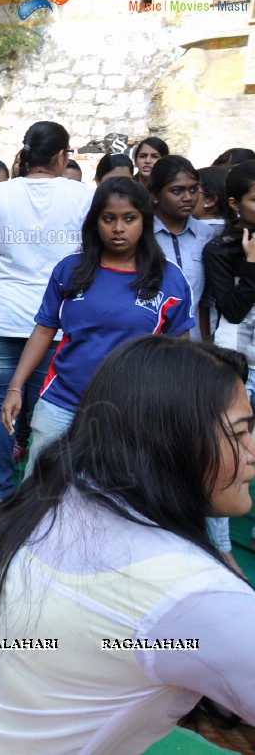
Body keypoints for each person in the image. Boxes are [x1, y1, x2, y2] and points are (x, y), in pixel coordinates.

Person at [0, 335, 255, 754]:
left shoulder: (58, 490)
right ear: (177, 443)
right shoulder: (197, 594)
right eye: (241, 432)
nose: (252, 449)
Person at [4, 176, 194, 480]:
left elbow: (179, 350)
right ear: (96, 222)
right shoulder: (70, 269)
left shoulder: (169, 279)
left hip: (132, 412)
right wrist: (16, 387)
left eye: (129, 218)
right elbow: (43, 329)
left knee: (113, 504)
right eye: (109, 218)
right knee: (39, 494)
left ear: (144, 222)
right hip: (61, 403)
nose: (118, 228)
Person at [0, 121, 93, 507]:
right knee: (47, 406)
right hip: (55, 322)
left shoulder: (0, 195)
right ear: (61, 155)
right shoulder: (81, 196)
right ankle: (40, 496)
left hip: (0, 315)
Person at [203, 160, 255, 565]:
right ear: (236, 203)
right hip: (240, 366)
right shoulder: (221, 249)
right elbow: (233, 310)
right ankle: (221, 551)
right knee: (225, 456)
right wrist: (252, 265)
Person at [149, 155, 211, 339]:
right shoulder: (140, 235)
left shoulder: (208, 236)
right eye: (177, 191)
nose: (188, 198)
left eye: (193, 190)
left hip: (196, 346)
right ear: (155, 195)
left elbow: (208, 299)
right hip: (149, 345)